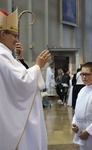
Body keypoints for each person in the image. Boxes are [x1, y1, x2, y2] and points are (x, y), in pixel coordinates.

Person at [0, 8, 50, 150]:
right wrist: (38, 66)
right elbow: (22, 82)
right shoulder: (1, 54)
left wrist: (20, 59)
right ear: (3, 34)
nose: (16, 40)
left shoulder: (5, 54)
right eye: (14, 35)